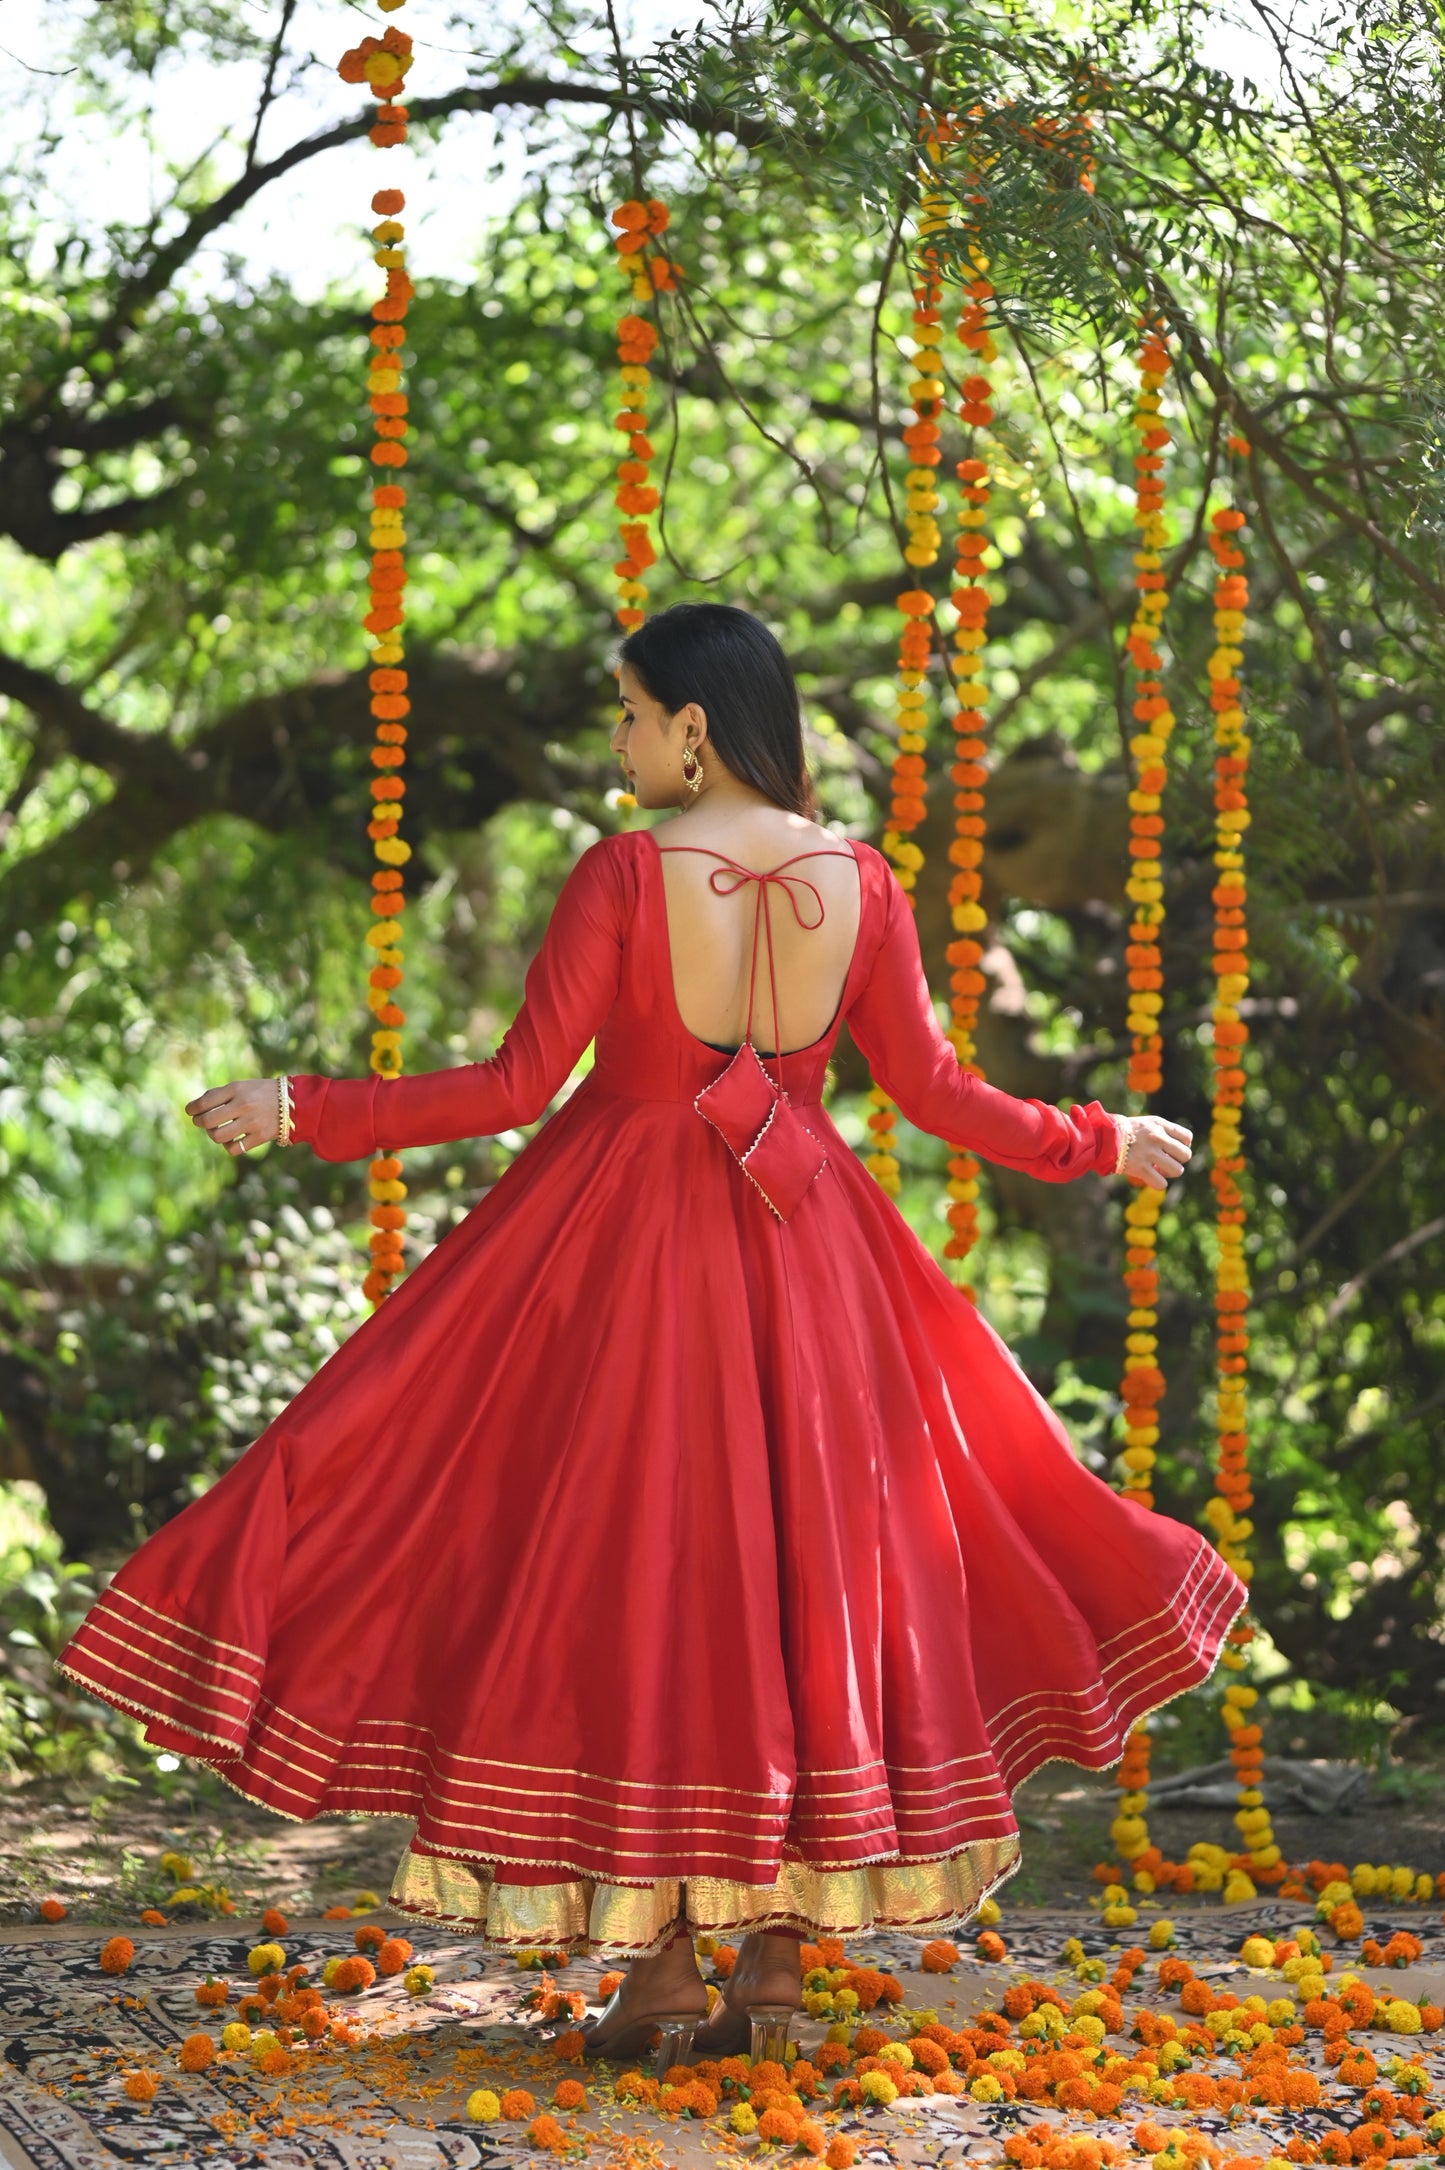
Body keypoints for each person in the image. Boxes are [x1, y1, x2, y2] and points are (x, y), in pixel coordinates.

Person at [56, 603, 1243, 2069]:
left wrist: (301, 1103)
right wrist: (1094, 1136)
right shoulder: (858, 879)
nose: (613, 739)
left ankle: (670, 1970)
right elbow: (932, 1092)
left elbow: (511, 1084)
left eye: (626, 711)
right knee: (805, 1578)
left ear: (694, 727)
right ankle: (771, 1970)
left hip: (620, 1254)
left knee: (644, 1578)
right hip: (813, 1256)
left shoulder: (626, 872)